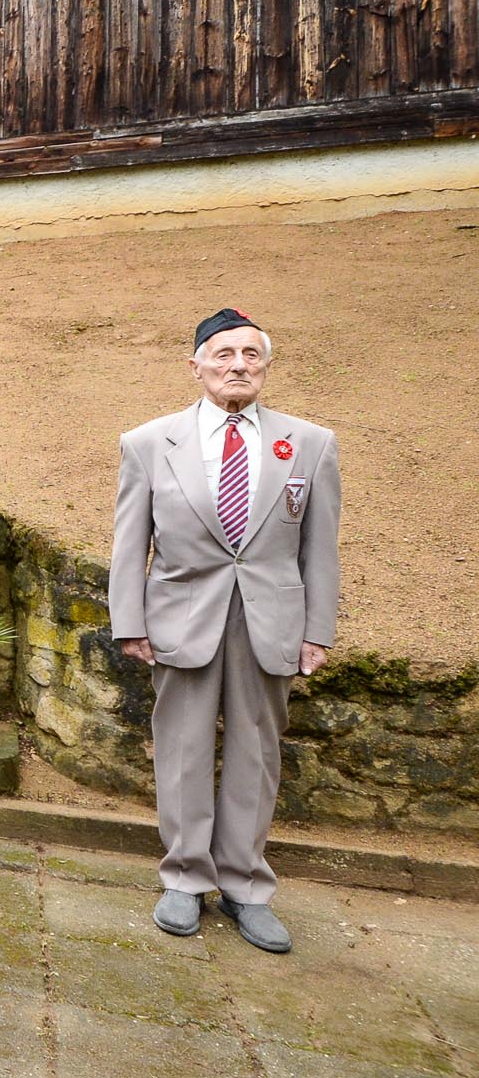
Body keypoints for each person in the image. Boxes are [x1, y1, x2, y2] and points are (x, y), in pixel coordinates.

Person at [110, 308, 340, 955]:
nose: (238, 365)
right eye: (223, 354)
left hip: (271, 618)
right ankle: (183, 876)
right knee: (180, 743)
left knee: (257, 751)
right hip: (181, 615)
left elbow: (321, 548)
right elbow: (131, 541)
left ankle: (245, 884)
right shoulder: (149, 442)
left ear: (265, 365)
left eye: (250, 355)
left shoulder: (311, 443)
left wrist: (317, 629)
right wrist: (128, 620)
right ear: (196, 366)